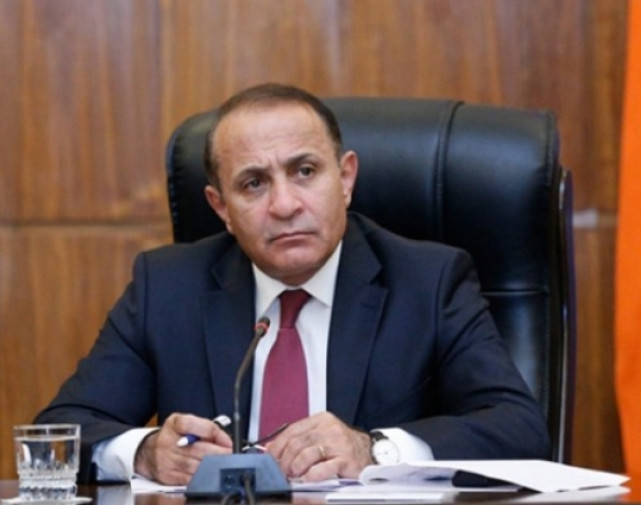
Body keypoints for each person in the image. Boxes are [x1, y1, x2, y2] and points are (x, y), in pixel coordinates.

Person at [35, 83, 550, 485]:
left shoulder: (428, 281)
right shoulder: (167, 288)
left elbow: (518, 430)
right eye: (254, 183)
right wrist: (146, 453)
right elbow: (57, 434)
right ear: (221, 207)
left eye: (304, 171)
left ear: (345, 179)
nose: (284, 205)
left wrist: (373, 449)